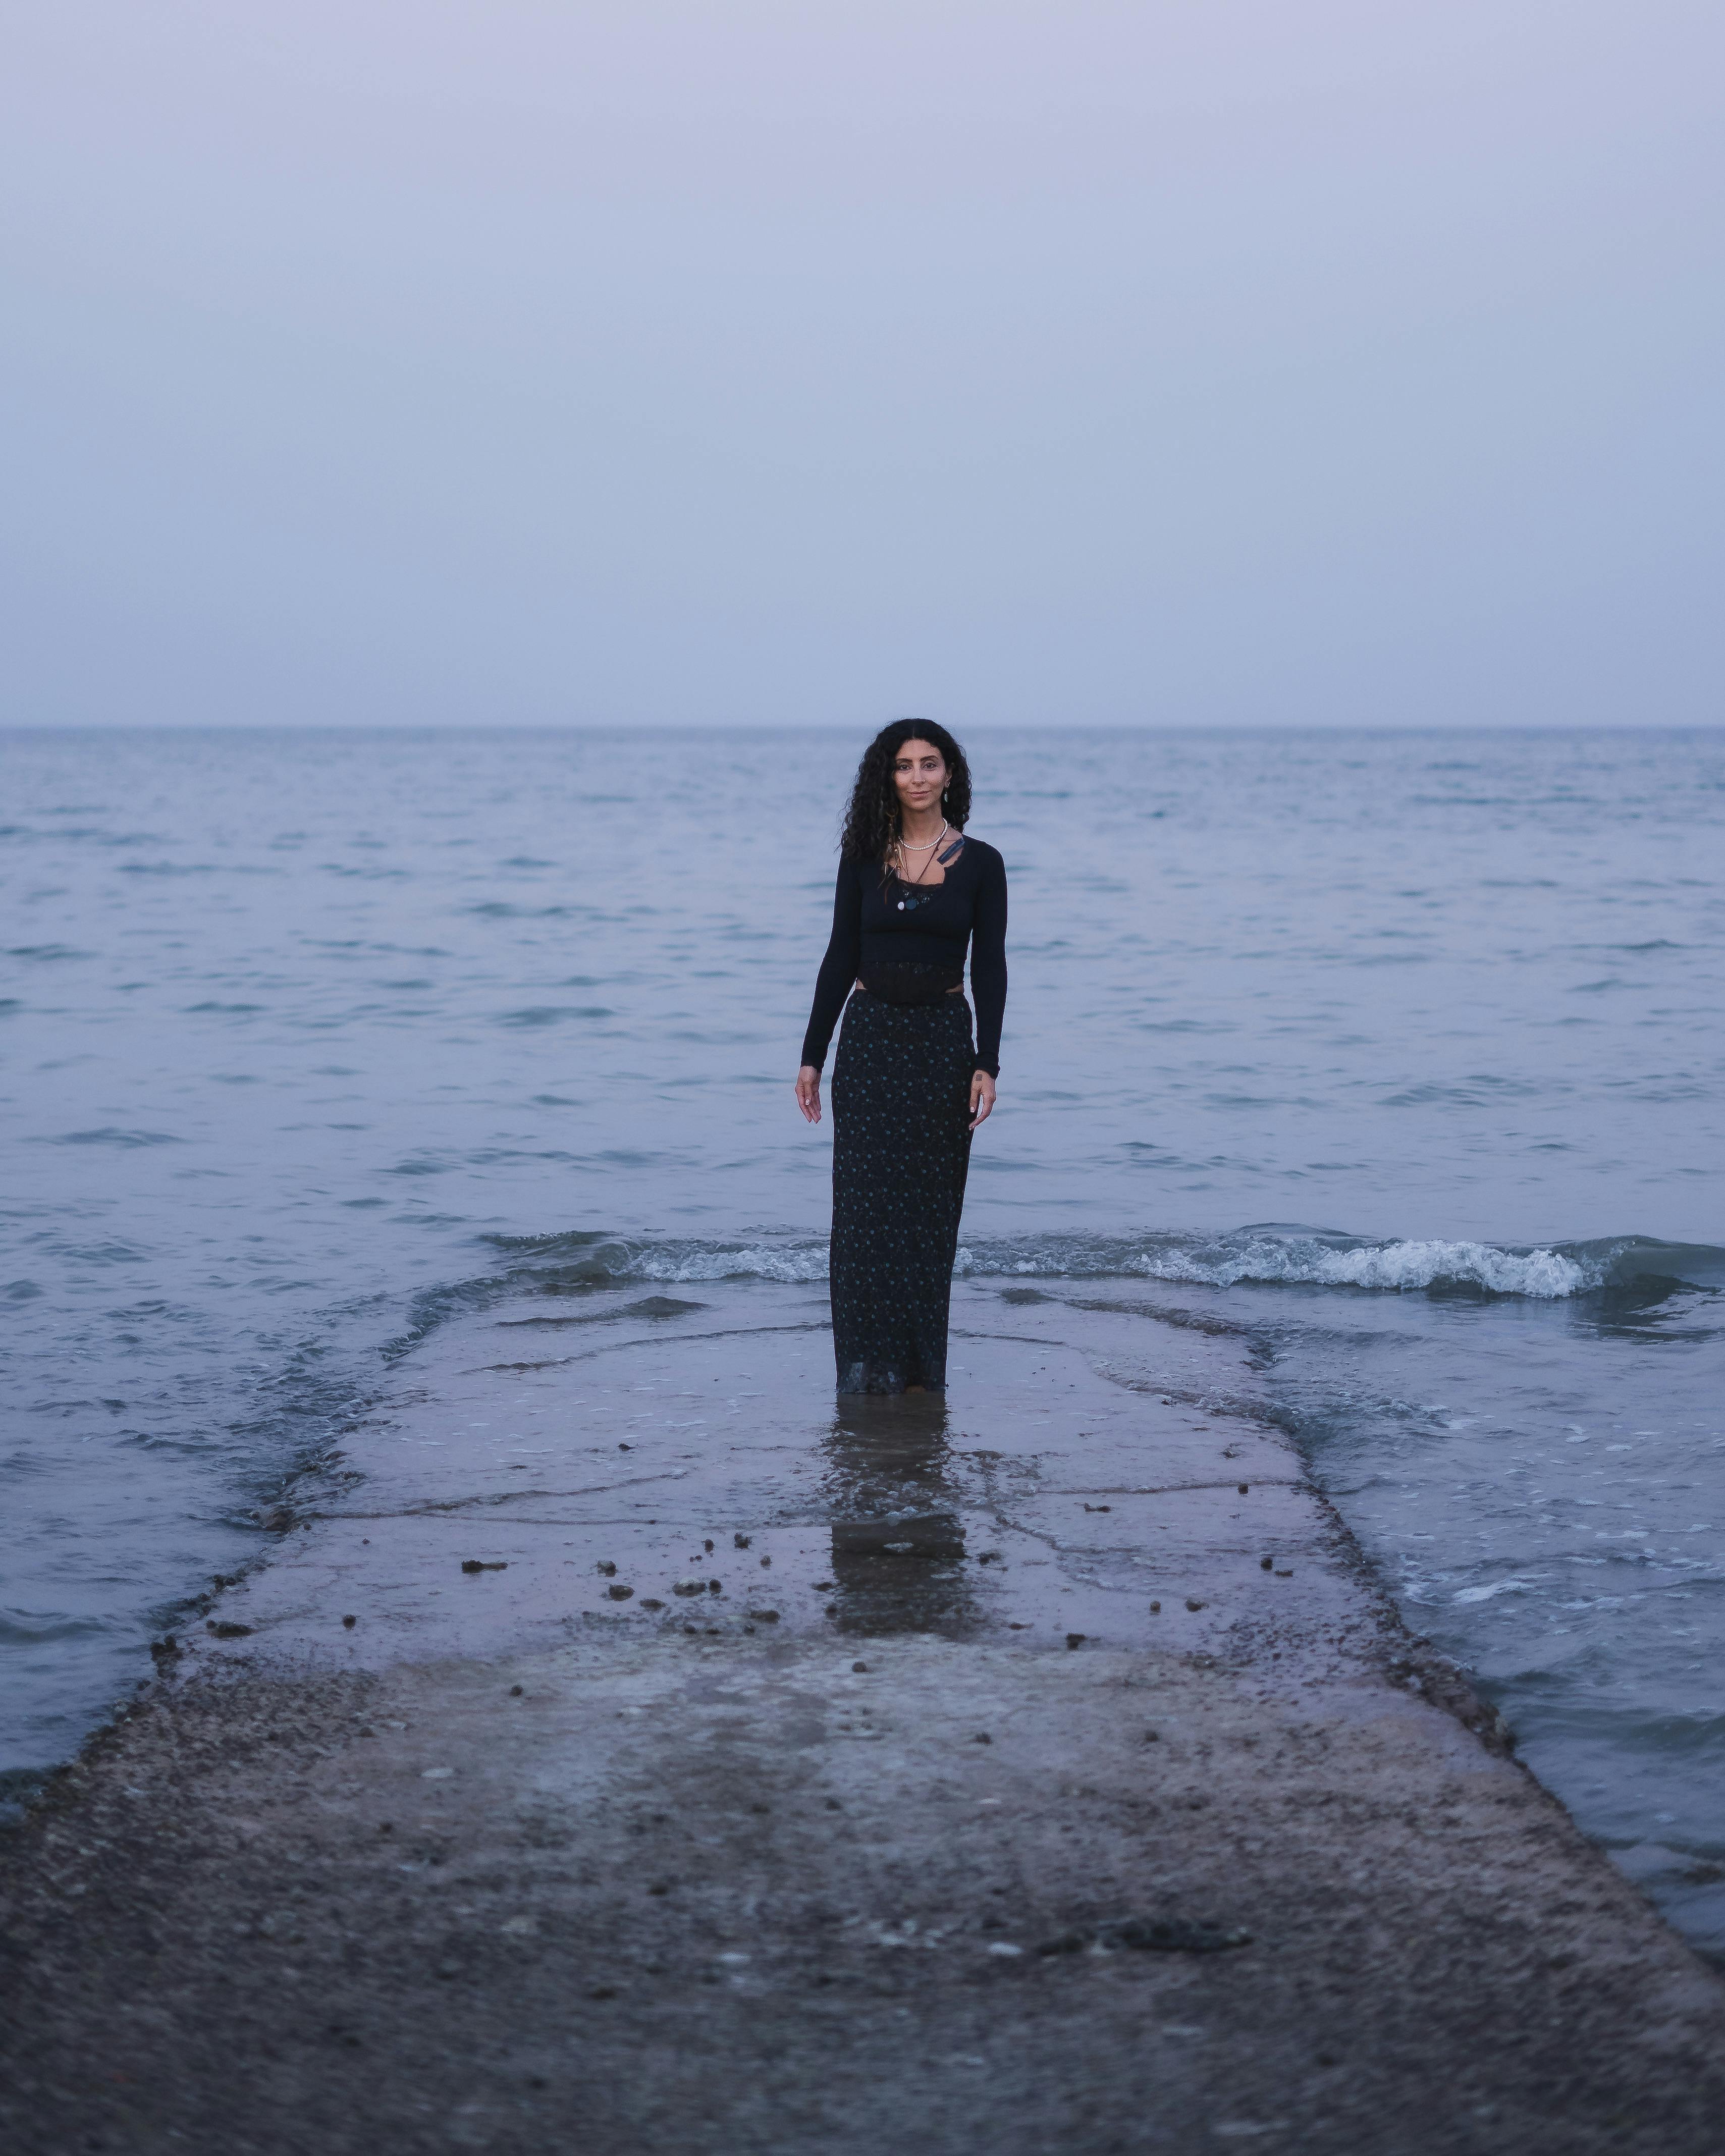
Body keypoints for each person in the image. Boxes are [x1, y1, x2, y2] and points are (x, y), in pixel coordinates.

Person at [796, 721, 1007, 1393]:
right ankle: (864, 1370)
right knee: (861, 1213)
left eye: (929, 764)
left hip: (943, 1043)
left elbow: (992, 967)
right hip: (870, 1043)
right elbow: (839, 957)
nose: (916, 777)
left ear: (950, 775)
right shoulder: (861, 859)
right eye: (903, 766)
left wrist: (987, 1060)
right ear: (884, 778)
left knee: (928, 1210)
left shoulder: (982, 863)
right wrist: (812, 1056)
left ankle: (919, 1372)